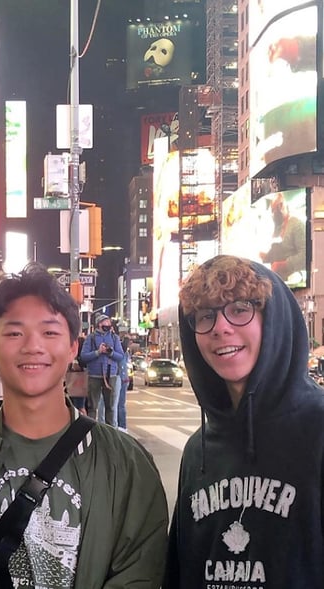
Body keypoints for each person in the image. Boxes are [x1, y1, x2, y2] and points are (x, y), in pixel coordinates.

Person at [0, 263, 168, 588]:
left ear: (73, 348)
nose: (33, 346)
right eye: (14, 332)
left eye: (50, 332)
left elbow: (140, 573)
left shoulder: (128, 463)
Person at [163, 255, 324, 588]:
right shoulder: (199, 449)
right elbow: (181, 568)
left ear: (273, 320)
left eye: (239, 309)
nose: (221, 327)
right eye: (206, 315)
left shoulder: (318, 429)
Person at [79, 313, 124, 426]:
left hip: (111, 376)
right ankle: (90, 433)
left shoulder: (114, 338)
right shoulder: (91, 338)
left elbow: (120, 356)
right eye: (105, 323)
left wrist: (111, 352)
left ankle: (110, 435)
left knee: (111, 407)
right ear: (99, 324)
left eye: (109, 323)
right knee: (92, 407)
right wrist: (98, 352)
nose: (108, 325)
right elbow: (84, 356)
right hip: (94, 376)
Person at [259, 192, 306, 284]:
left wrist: (283, 265)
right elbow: (280, 251)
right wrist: (266, 257)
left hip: (292, 279)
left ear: (283, 206)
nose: (274, 213)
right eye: (272, 210)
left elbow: (305, 255)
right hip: (277, 280)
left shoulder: (296, 224)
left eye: (275, 209)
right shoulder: (279, 228)